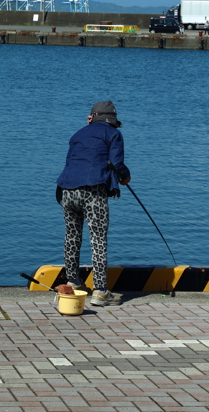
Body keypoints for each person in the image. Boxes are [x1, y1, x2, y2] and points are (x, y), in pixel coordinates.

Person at [55, 100, 131, 306]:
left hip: (67, 190)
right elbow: (117, 163)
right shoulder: (114, 134)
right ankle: (100, 291)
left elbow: (72, 162)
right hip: (93, 191)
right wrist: (125, 177)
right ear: (112, 120)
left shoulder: (77, 135)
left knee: (72, 236)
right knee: (98, 240)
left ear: (92, 117)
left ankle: (73, 283)